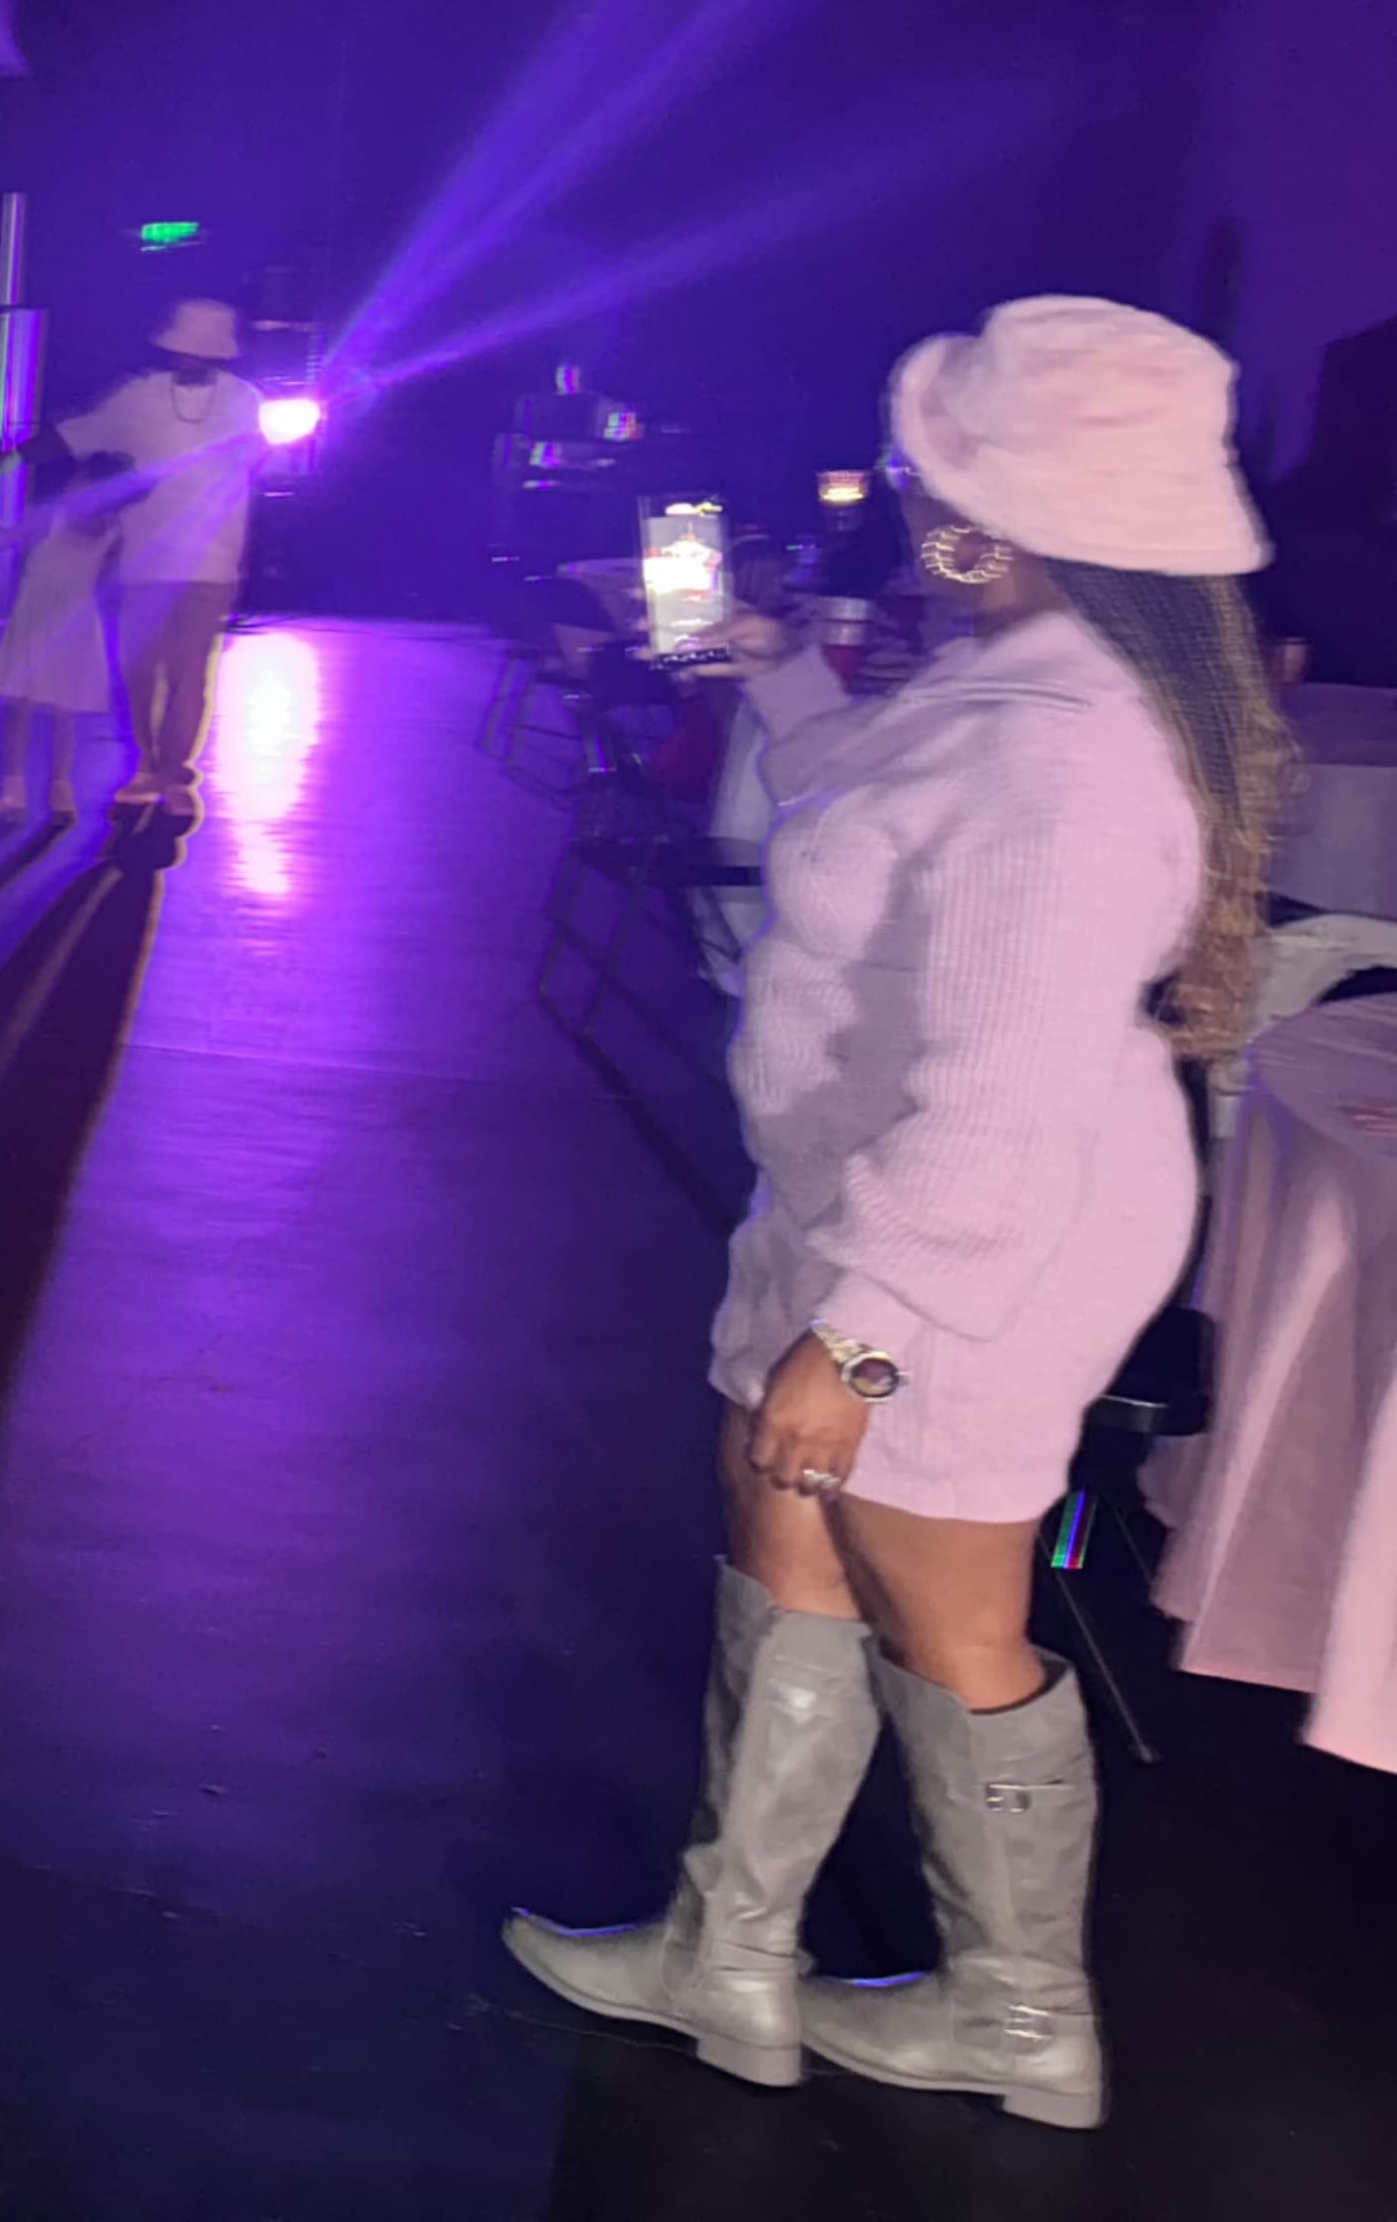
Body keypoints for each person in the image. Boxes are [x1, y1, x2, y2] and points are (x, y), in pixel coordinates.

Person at [502, 296, 1292, 2132]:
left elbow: (1007, 1094)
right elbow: (882, 808)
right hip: (872, 1197)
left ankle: (1023, 2016)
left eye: (933, 475)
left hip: (961, 1247)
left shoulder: (1071, 754)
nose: (908, 502)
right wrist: (768, 673)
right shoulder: (1039, 671)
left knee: (952, 1622)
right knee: (789, 1565)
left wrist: (866, 1338)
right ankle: (734, 1955)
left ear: (994, 510)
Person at [54, 298, 265, 820]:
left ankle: (173, 773)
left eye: (200, 351)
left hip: (211, 560)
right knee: (139, 671)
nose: (189, 358)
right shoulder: (138, 396)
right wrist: (16, 450)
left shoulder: (244, 401)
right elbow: (82, 434)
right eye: (182, 349)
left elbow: (257, 463)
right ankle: (146, 764)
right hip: (145, 559)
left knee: (189, 672)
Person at [0, 438, 127, 823]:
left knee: (43, 704)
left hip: (61, 618)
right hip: (54, 615)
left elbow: (112, 579)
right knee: (36, 704)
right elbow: (14, 538)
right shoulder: (75, 520)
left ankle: (42, 787)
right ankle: (33, 789)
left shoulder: (96, 525)